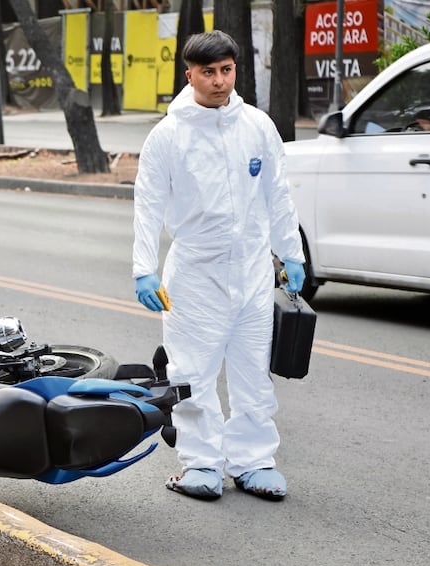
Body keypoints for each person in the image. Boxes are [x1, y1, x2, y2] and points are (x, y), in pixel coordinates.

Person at [131, 30, 306, 501]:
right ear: (189, 74)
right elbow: (148, 205)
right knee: (192, 373)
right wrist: (143, 268)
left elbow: (278, 196)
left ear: (235, 70)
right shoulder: (168, 136)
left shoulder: (257, 126)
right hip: (194, 276)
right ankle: (202, 465)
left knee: (252, 374)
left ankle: (253, 462)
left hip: (251, 273)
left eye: (226, 70)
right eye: (208, 72)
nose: (219, 80)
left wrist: (291, 254)